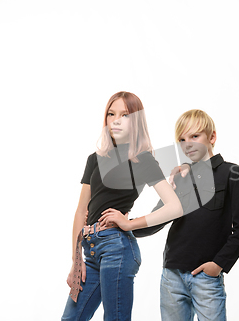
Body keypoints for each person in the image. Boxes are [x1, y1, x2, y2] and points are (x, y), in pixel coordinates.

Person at [61, 91, 183, 321]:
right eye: (111, 113)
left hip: (117, 248)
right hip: (90, 250)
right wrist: (76, 261)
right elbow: (80, 211)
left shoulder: (143, 159)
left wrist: (128, 223)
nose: (115, 120)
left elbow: (174, 207)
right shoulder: (94, 159)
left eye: (125, 115)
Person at [135, 109, 239, 321]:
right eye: (181, 139)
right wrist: (125, 225)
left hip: (206, 277)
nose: (187, 144)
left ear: (212, 137)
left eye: (195, 136)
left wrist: (218, 265)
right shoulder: (181, 176)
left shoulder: (232, 174)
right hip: (172, 275)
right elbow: (158, 218)